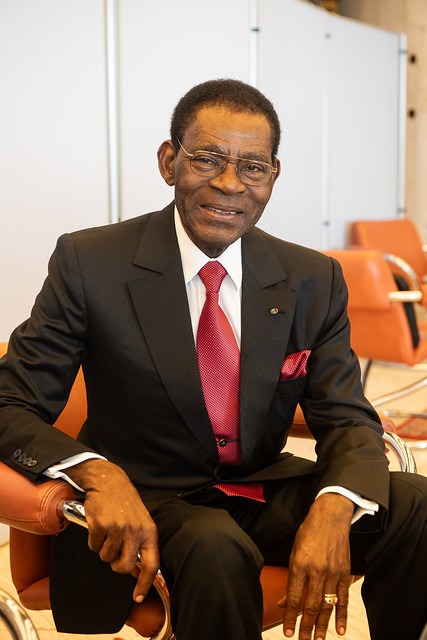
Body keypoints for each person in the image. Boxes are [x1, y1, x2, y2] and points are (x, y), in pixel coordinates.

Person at [0, 78, 426, 640]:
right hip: (142, 499)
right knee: (216, 545)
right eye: (206, 159)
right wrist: (96, 473)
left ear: (273, 176)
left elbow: (346, 416)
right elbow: (10, 404)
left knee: (414, 503)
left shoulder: (311, 278)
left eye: (253, 167)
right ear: (168, 161)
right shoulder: (90, 262)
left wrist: (334, 504)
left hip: (256, 488)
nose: (229, 183)